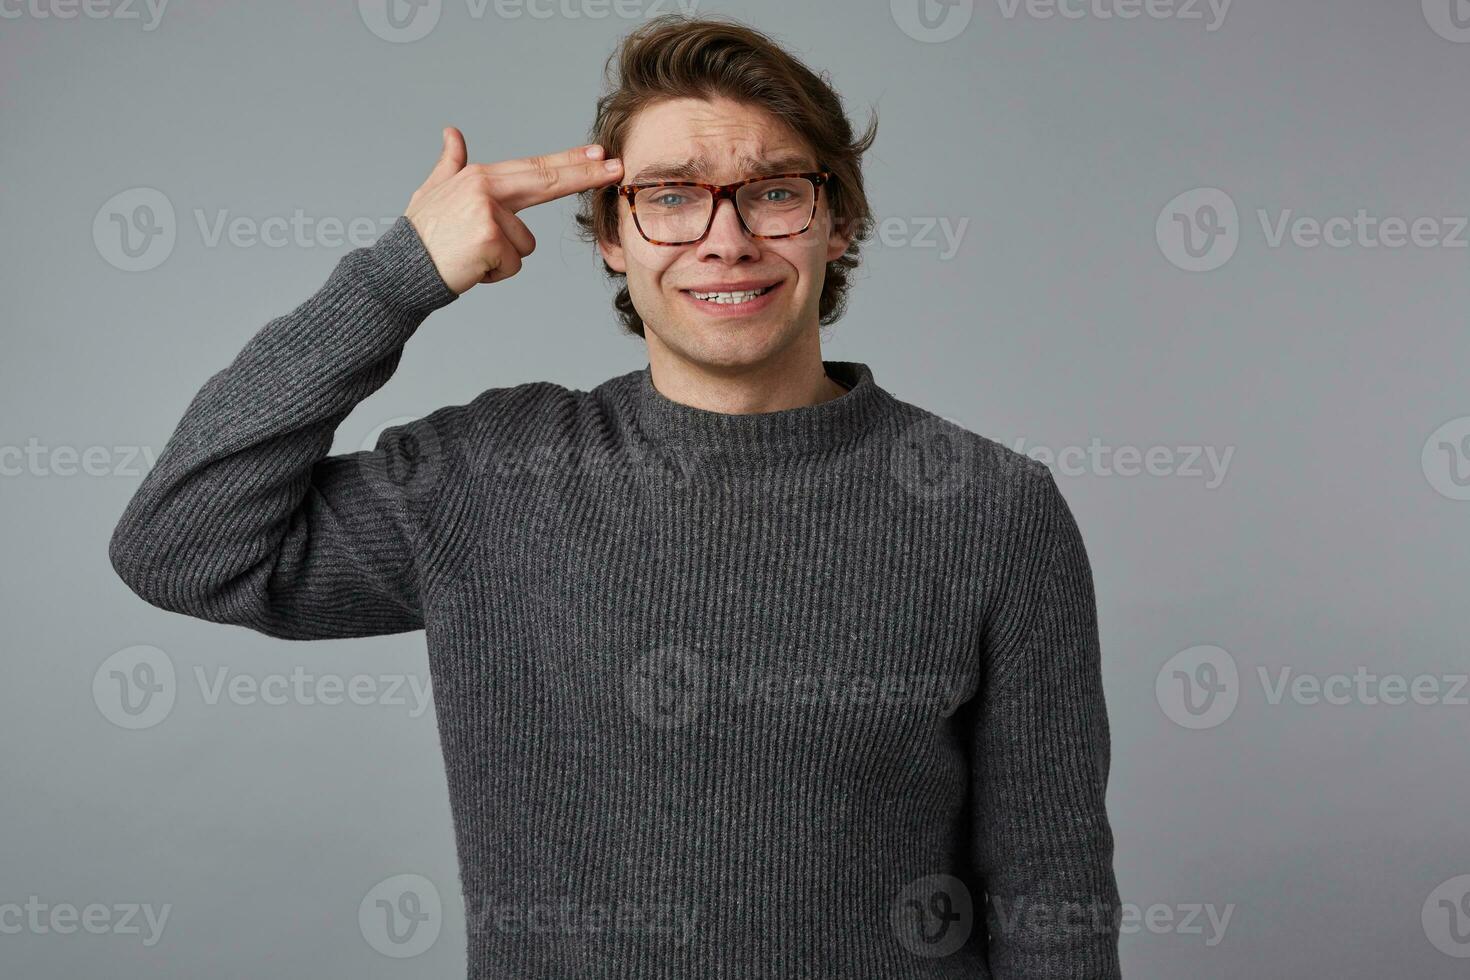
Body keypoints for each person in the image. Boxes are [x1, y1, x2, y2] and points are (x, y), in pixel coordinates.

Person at [108, 13, 1121, 978]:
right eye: (671, 195)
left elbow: (1050, 894)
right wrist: (395, 277)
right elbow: (182, 544)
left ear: (838, 222)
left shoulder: (993, 509)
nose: (724, 240)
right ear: (609, 235)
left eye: (773, 191)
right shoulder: (494, 475)